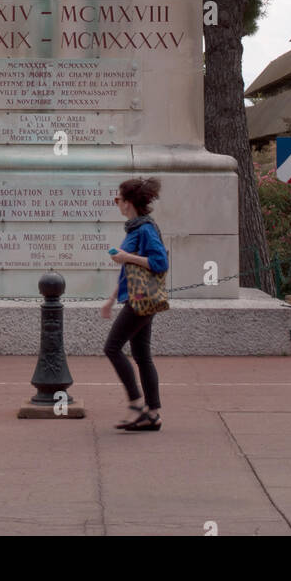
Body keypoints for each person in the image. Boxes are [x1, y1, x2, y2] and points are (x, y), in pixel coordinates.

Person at [101, 176, 168, 431]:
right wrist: (110, 299)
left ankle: (137, 404)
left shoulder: (145, 229)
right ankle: (153, 414)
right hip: (137, 298)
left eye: (118, 198)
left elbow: (160, 263)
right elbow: (129, 269)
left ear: (128, 202)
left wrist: (127, 256)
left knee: (112, 347)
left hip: (141, 300)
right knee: (142, 356)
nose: (116, 203)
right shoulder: (135, 228)